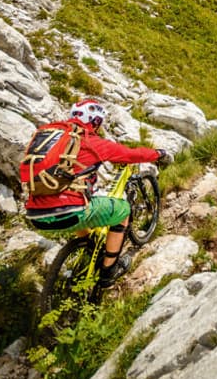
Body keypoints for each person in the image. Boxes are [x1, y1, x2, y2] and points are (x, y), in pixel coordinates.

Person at [23, 99, 169, 286]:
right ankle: (109, 272)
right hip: (69, 211)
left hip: (36, 215)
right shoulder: (90, 142)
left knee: (71, 202)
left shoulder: (53, 137)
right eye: (99, 123)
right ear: (94, 121)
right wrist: (158, 154)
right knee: (123, 211)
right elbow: (131, 155)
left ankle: (89, 243)